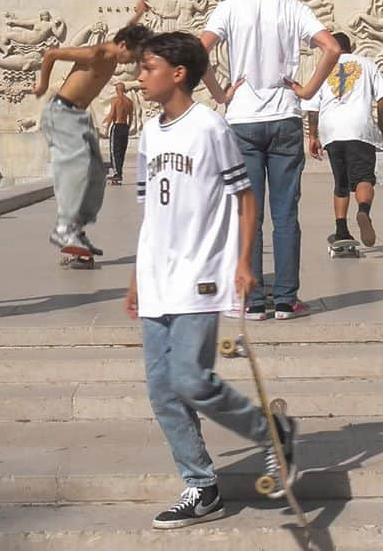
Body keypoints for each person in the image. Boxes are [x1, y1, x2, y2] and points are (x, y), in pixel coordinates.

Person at [126, 32, 298, 531]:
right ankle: (201, 486)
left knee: (188, 378)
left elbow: (245, 199)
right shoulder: (150, 132)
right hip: (157, 275)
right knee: (161, 390)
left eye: (147, 68)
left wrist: (245, 263)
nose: (139, 76)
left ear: (178, 73)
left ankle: (270, 431)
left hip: (200, 274)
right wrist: (137, 276)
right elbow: (150, 214)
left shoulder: (209, 127)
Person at [200, 0, 341, 321]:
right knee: (285, 214)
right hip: (283, 115)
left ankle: (253, 299)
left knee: (249, 213)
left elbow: (198, 51)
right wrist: (308, 89)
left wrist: (220, 92)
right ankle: (286, 299)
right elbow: (330, 48)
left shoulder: (229, 8)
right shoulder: (293, 7)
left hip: (243, 118)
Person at [33, 0, 150, 257]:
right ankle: (64, 228)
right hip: (61, 112)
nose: (132, 62)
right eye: (132, 55)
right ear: (122, 46)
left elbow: (126, 32)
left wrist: (137, 16)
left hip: (78, 115)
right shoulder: (95, 53)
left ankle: (76, 230)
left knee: (97, 172)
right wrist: (42, 85)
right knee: (76, 168)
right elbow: (51, 54)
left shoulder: (117, 48)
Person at [304, 32, 383, 249]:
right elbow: (382, 98)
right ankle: (363, 212)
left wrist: (313, 136)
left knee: (340, 183)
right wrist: (380, 125)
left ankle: (341, 230)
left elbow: (312, 108)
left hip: (332, 129)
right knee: (364, 178)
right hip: (359, 128)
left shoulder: (324, 67)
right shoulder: (367, 64)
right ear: (351, 47)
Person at [103, 81, 133, 185]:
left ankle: (117, 174)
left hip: (117, 126)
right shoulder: (129, 101)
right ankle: (119, 173)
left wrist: (107, 128)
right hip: (125, 127)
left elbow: (112, 114)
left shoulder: (115, 100)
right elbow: (131, 117)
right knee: (122, 151)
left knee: (115, 151)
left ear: (117, 90)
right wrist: (128, 127)